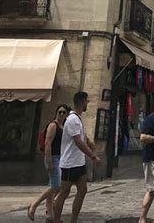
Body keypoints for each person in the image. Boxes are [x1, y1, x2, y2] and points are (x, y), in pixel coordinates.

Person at [53, 91, 100, 223]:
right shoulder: (73, 119)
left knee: (83, 190)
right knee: (64, 193)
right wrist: (93, 156)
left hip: (79, 162)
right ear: (82, 101)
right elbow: (77, 141)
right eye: (87, 101)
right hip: (69, 163)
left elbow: (81, 137)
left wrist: (89, 141)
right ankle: (55, 219)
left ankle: (73, 220)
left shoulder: (78, 118)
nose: (88, 103)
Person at [27, 105, 69, 222]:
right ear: (56, 113)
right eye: (59, 112)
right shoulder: (53, 125)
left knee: (52, 185)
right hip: (53, 158)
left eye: (64, 112)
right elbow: (47, 143)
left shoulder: (63, 126)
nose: (61, 114)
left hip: (60, 158)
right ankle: (34, 205)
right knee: (57, 185)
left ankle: (50, 214)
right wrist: (49, 160)